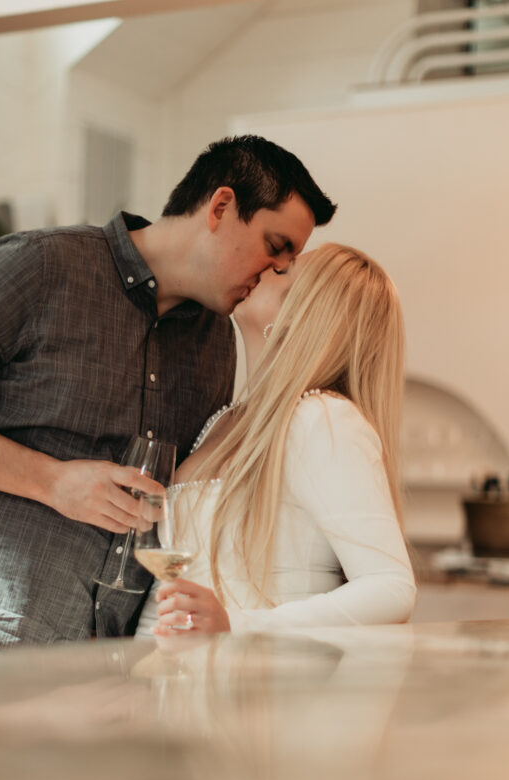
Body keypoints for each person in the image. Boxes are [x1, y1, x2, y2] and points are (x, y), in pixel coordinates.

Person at [0, 135, 336, 662]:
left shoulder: (215, 342)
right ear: (221, 207)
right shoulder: (41, 267)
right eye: (276, 247)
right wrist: (53, 481)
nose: (277, 272)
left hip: (102, 669)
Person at [137, 243, 416, 638]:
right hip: (165, 680)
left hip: (249, 687)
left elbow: (391, 588)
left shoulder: (320, 419)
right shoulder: (222, 419)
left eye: (282, 271)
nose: (262, 268)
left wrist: (238, 625)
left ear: (300, 314)